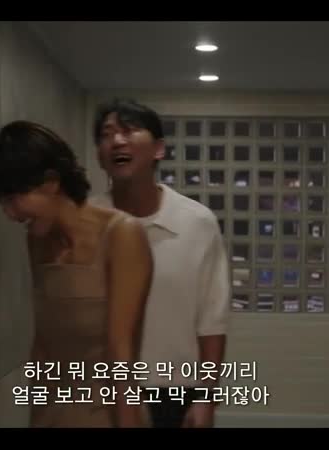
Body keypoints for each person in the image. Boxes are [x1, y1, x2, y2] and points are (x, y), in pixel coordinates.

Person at [0, 120, 153, 428]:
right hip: (54, 412)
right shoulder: (37, 240)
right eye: (2, 203)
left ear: (51, 182)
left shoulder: (122, 234)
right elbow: (42, 346)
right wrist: (36, 415)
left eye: (12, 199)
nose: (10, 214)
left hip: (106, 411)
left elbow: (121, 352)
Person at [88, 98, 231, 428]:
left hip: (174, 391)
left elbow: (212, 320)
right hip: (101, 390)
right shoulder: (87, 222)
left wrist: (207, 397)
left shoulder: (197, 222)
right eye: (107, 135)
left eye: (129, 131)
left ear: (159, 149)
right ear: (99, 155)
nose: (117, 141)